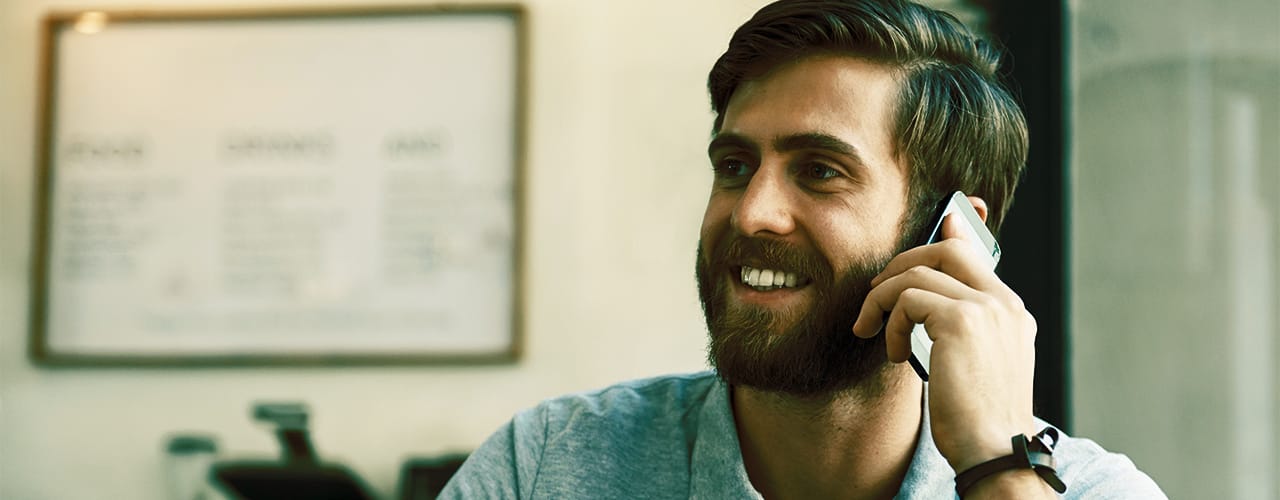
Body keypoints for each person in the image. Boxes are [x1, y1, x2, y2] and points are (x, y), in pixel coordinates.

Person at [440, 0, 1165, 498]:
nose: (752, 212)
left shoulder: (1093, 492)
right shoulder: (546, 466)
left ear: (953, 236)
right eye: (735, 166)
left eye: (820, 171)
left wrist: (998, 470)